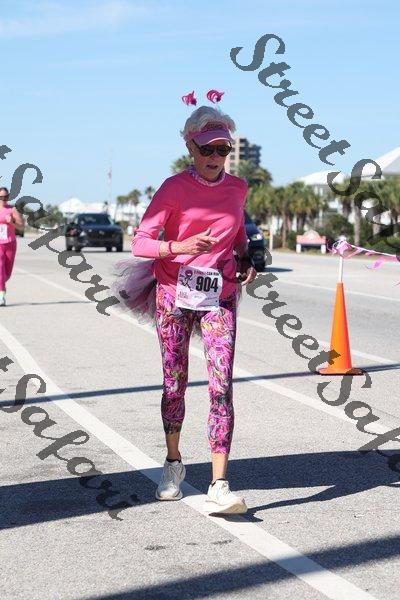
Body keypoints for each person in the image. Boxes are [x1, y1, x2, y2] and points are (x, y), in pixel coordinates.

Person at [131, 105, 257, 514]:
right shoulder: (173, 188)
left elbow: (237, 232)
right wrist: (179, 247)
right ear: (190, 147)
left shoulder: (237, 188)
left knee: (222, 385)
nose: (215, 157)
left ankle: (219, 483)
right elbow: (140, 243)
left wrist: (246, 257)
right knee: (175, 383)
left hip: (219, 294)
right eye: (207, 149)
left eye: (222, 149)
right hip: (173, 292)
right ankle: (173, 465)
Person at [0, 187, 24, 306]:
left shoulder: (13, 209)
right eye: (1, 197)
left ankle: (1, 285)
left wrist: (12, 222)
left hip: (10, 244)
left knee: (7, 274)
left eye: (6, 197)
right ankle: (2, 296)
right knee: (0, 269)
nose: (3, 199)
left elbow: (21, 227)